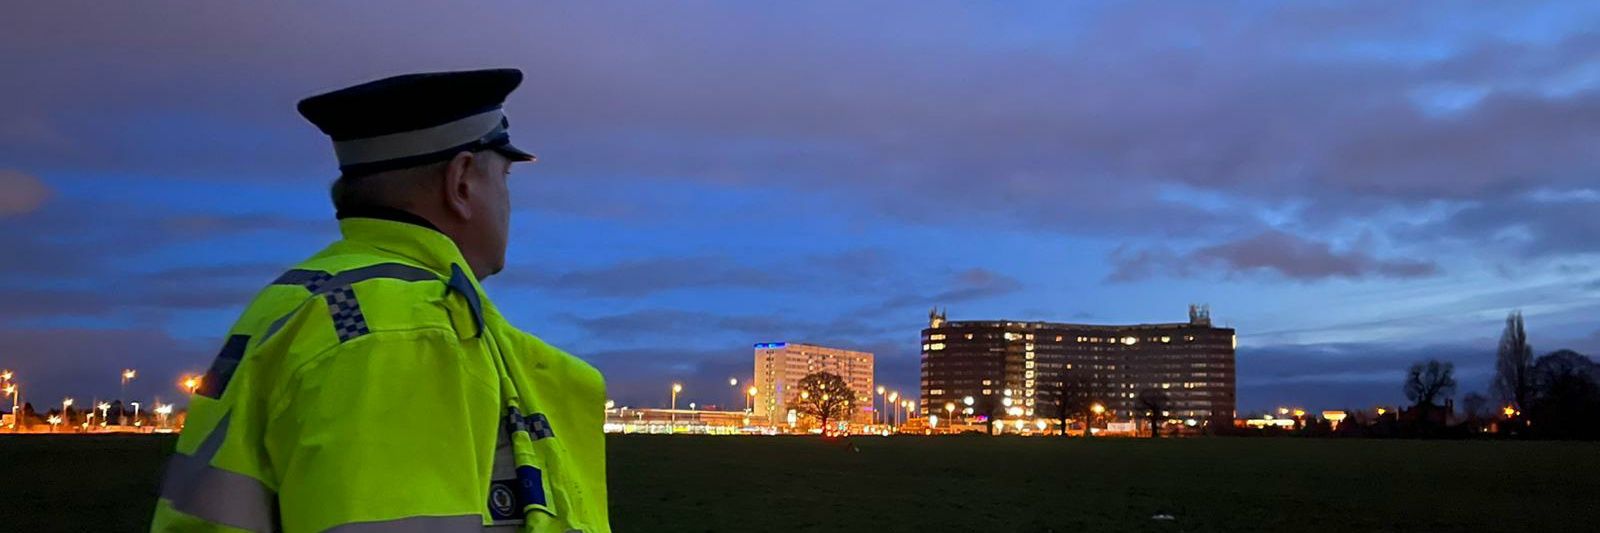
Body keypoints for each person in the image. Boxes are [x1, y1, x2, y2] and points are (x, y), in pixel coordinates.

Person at [151, 68, 610, 533]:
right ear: (462, 183)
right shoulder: (405, 333)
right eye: (505, 177)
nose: (508, 201)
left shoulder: (301, 298)